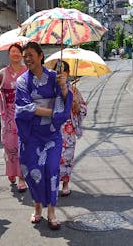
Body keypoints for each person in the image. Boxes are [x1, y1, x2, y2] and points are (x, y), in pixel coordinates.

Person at [15, 42, 73, 230]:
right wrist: (50, 112)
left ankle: (51, 212)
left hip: (51, 134)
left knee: (51, 170)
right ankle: (37, 205)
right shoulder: (22, 81)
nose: (27, 59)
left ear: (41, 56)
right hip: (31, 134)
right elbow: (24, 108)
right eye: (25, 56)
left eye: (31, 55)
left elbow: (64, 101)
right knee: (33, 170)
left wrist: (64, 88)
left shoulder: (54, 77)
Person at [0, 43, 28, 192]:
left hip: (24, 112)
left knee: (23, 144)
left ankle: (21, 177)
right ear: (9, 54)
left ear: (22, 55)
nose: (15, 54)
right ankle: (11, 172)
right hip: (8, 114)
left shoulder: (27, 71)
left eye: (18, 52)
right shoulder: (3, 73)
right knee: (9, 145)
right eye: (12, 52)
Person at [56, 60, 87, 197]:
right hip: (54, 127)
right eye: (58, 71)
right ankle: (53, 183)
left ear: (67, 73)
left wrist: (76, 106)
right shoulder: (50, 89)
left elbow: (83, 109)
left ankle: (65, 183)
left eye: (63, 71)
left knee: (67, 156)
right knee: (54, 157)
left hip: (68, 127)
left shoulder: (73, 90)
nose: (60, 74)